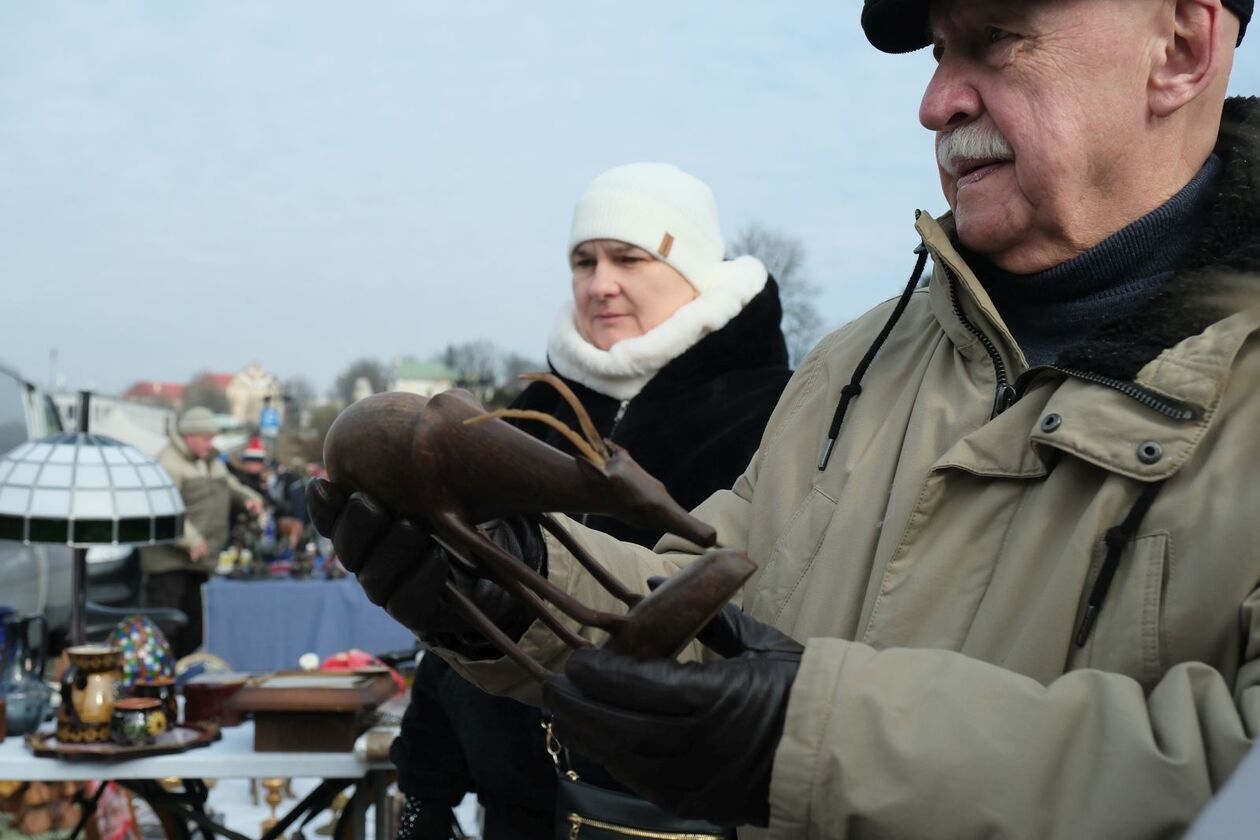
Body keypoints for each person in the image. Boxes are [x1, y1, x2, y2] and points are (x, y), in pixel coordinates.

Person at [311, 0, 1260, 836]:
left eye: (997, 40)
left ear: (1179, 46)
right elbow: (707, 605)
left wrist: (811, 738)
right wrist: (513, 582)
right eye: (937, 51)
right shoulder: (853, 364)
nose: (936, 102)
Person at [392, 162, 792, 838]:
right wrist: (427, 777)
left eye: (627, 258)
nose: (600, 283)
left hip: (674, 811)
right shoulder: (534, 412)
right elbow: (462, 600)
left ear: (692, 267)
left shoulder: (773, 410)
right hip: (516, 806)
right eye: (584, 261)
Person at [142, 407, 263, 657]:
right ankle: (162, 685)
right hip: (169, 563)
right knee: (166, 629)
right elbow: (164, 508)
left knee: (194, 628)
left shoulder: (211, 463)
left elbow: (231, 486)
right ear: (190, 436)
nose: (211, 444)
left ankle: (186, 678)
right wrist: (191, 540)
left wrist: (249, 498)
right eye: (207, 438)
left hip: (199, 562)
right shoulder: (167, 464)